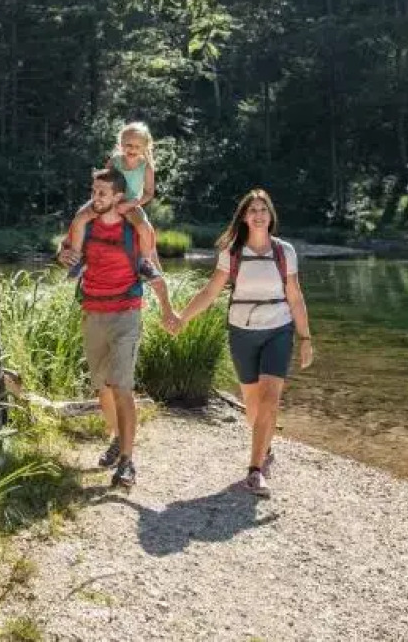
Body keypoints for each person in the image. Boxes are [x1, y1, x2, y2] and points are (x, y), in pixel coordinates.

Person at [171, 189, 312, 497]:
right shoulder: (232, 252)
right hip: (242, 332)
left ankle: (254, 471)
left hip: (279, 329)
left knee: (270, 399)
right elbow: (210, 292)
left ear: (271, 215)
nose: (259, 215)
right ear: (245, 217)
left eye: (263, 209)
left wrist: (305, 338)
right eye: (253, 210)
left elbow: (295, 296)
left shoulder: (284, 251)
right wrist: (183, 318)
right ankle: (265, 444)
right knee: (253, 405)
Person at [57, 167, 178, 489]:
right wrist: (63, 256)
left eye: (102, 193)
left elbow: (153, 270)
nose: (95, 198)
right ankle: (116, 439)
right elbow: (66, 252)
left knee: (121, 386)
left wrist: (168, 310)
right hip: (92, 312)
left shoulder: (133, 229)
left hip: (126, 313)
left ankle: (127, 461)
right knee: (103, 387)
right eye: (93, 191)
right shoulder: (86, 223)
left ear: (118, 197)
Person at [65, 121, 160, 282]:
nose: (132, 149)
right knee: (80, 217)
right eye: (128, 145)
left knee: (144, 228)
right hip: (108, 201)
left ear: (145, 147)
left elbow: (148, 193)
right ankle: (77, 259)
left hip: (129, 204)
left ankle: (145, 263)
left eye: (137, 146)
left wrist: (131, 204)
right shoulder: (115, 161)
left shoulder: (146, 167)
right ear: (121, 144)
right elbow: (104, 181)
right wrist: (97, 200)